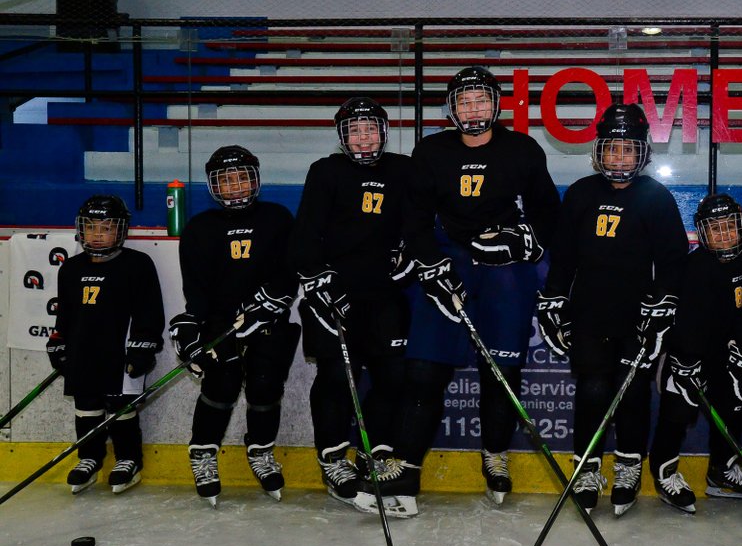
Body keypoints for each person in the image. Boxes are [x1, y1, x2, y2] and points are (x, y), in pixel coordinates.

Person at [396, 66, 560, 514]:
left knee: (501, 371)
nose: (473, 108)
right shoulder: (430, 152)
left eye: (481, 99)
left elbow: (549, 216)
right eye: (464, 101)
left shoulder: (523, 150)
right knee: (425, 370)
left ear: (496, 104)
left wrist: (527, 241)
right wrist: (431, 265)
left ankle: (494, 453)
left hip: (504, 268)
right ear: (451, 108)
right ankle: (408, 467)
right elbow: (414, 218)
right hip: (451, 262)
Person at [538, 103, 687, 516]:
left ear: (643, 154)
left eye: (629, 150)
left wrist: (662, 304)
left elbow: (674, 261)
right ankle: (586, 467)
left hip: (636, 318)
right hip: (589, 313)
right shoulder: (583, 193)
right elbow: (564, 256)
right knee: (593, 390)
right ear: (598, 151)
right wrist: (553, 298)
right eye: (613, 149)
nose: (620, 158)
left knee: (633, 392)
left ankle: (628, 465)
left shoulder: (656, 197)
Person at [289, 97, 415, 514]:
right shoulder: (325, 172)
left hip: (384, 296)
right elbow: (304, 236)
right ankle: (332, 458)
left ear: (384, 130)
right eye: (354, 130)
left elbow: (417, 225)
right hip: (334, 296)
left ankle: (373, 452)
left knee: (392, 375)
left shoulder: (403, 170)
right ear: (343, 136)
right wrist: (320, 279)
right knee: (335, 378)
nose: (363, 137)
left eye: (370, 129)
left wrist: (410, 255)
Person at [169, 146, 300, 506]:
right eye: (226, 180)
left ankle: (260, 450)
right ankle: (203, 452)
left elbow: (289, 276)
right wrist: (192, 328)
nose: (235, 186)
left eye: (242, 177)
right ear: (214, 186)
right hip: (221, 326)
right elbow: (195, 290)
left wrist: (269, 304)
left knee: (265, 388)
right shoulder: (199, 228)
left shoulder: (277, 218)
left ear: (255, 179)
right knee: (220, 387)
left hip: (268, 321)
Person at [648, 193, 742, 515]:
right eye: (715, 229)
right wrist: (685, 360)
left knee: (733, 406)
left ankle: (722, 470)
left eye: (730, 226)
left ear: (741, 225)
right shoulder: (694, 267)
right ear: (702, 233)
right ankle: (664, 471)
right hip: (690, 352)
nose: (724, 235)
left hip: (727, 351)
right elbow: (685, 322)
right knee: (677, 409)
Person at [47, 195, 164, 495]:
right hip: (83, 351)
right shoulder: (70, 269)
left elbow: (149, 313)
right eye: (91, 227)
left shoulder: (138, 265)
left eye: (106, 227)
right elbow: (66, 316)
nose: (98, 234)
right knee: (85, 406)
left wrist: (144, 346)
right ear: (80, 229)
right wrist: (58, 342)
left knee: (120, 406)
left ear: (121, 230)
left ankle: (128, 459)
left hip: (120, 353)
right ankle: (89, 458)